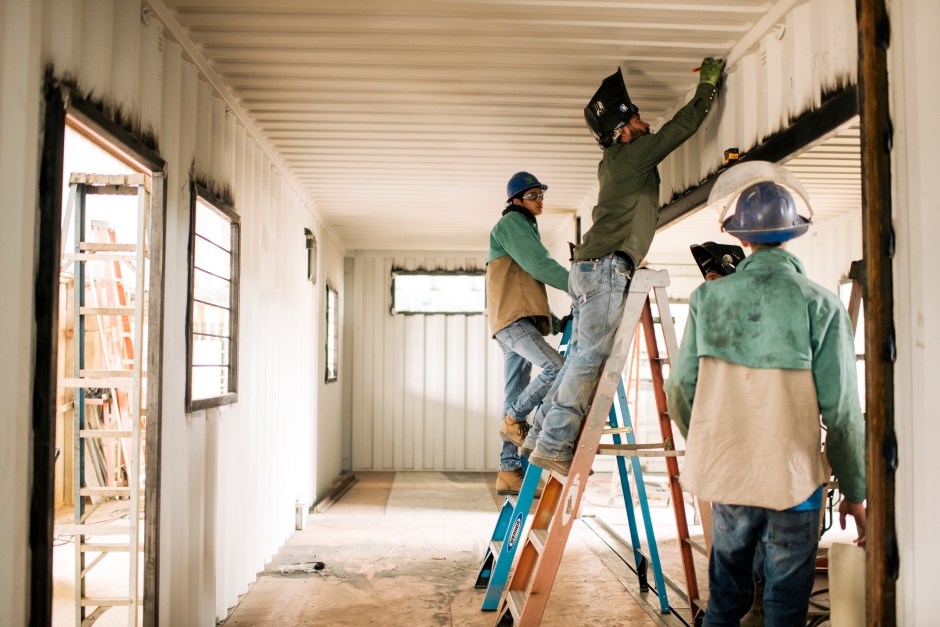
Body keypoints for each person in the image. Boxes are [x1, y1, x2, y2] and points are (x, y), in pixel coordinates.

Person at [664, 162, 867, 627]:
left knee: (725, 603)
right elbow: (842, 414)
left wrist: (708, 443)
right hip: (795, 485)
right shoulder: (822, 304)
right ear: (794, 234)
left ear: (741, 238)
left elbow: (679, 389)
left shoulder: (707, 300)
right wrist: (855, 493)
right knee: (783, 610)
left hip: (731, 481)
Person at [522, 58, 726, 473]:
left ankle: (540, 435)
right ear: (622, 131)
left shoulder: (615, 163)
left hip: (588, 269)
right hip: (605, 269)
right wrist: (707, 88)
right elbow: (678, 130)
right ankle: (555, 445)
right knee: (587, 361)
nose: (644, 122)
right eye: (635, 118)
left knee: (579, 355)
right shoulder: (631, 155)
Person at [486, 172, 570, 495]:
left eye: (541, 194)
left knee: (514, 390)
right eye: (533, 195)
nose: (540, 200)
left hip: (517, 318)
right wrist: (580, 283)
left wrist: (558, 322)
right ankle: (513, 417)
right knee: (556, 367)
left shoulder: (524, 229)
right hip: (513, 322)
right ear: (516, 201)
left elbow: (524, 286)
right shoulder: (511, 225)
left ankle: (508, 471)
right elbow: (539, 266)